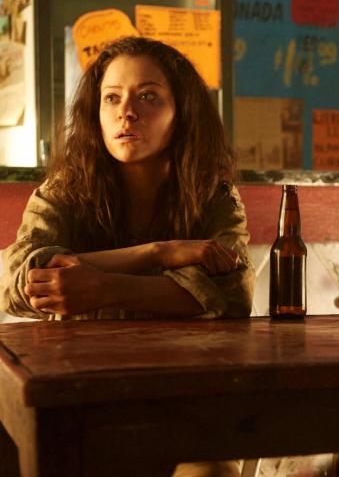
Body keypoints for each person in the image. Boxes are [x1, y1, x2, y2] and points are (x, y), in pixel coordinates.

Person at [0, 36, 254, 477]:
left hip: (182, 400)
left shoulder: (213, 195)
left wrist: (102, 288)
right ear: (95, 113)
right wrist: (158, 253)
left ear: (182, 112)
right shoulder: (65, 189)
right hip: (76, 399)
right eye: (112, 98)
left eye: (148, 97)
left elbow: (232, 292)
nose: (126, 112)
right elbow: (21, 280)